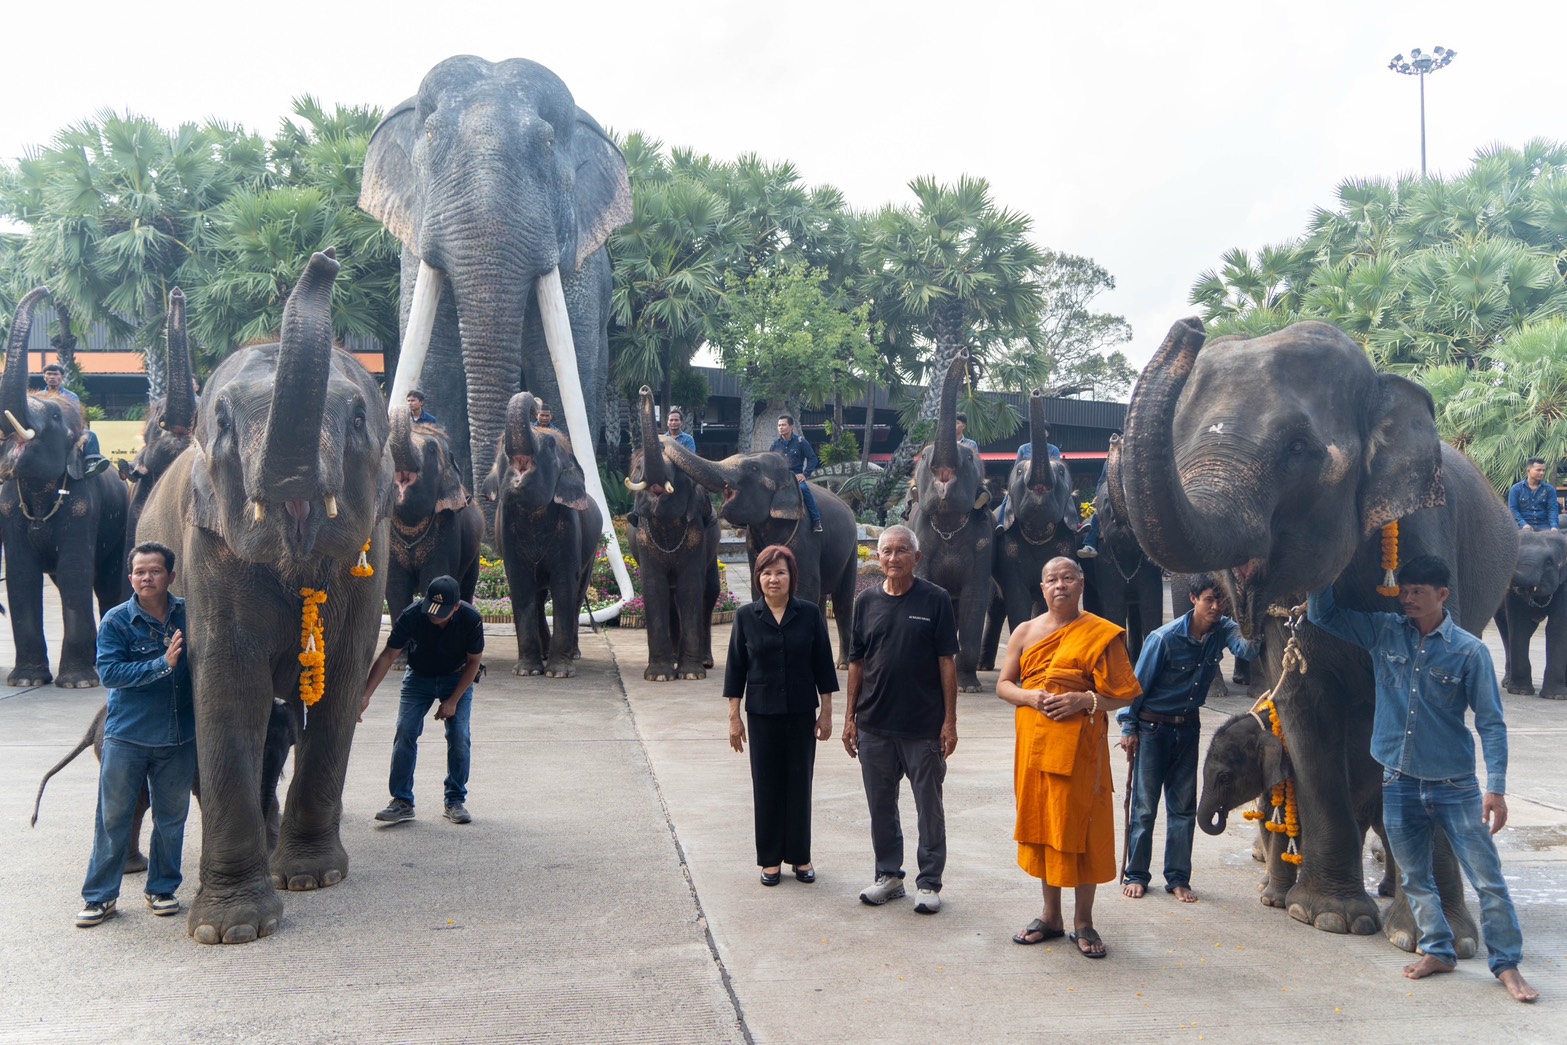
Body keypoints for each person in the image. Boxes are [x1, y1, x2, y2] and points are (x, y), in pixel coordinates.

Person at [1308, 555, 1538, 1003]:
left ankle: (1508, 966)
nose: (1408, 598)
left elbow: (1491, 724)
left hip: (1454, 786)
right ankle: (1438, 950)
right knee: (1414, 878)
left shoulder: (1469, 651)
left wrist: (1497, 788)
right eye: (1405, 590)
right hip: (1398, 781)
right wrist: (1325, 572)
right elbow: (1324, 616)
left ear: (1442, 596)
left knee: (1487, 878)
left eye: (1418, 592)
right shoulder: (1384, 632)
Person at [996, 556, 1141, 958]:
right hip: (1035, 745)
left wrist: (1087, 699)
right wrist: (1030, 696)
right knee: (1044, 825)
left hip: (1081, 750)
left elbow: (1125, 692)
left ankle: (1084, 921)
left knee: (1081, 828)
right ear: (1042, 588)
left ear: (1081, 584)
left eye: (1067, 578)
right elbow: (1005, 685)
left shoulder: (1101, 633)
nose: (1059, 585)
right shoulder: (1025, 631)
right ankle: (1050, 915)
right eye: (1051, 579)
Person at [75, 542, 195, 928]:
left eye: (155, 571)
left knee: (171, 819)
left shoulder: (190, 616)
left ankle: (161, 889)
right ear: (131, 577)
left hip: (178, 738)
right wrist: (163, 664)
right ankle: (100, 898)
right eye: (139, 572)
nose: (146, 578)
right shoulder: (115, 621)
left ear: (171, 576)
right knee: (113, 820)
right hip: (127, 737)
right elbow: (109, 674)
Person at [1118, 575, 1259, 902]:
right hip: (1153, 730)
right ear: (1193, 598)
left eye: (1221, 601)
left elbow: (1247, 649)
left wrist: (1253, 612)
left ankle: (1178, 878)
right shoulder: (1163, 639)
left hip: (1188, 728)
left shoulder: (1222, 629)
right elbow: (1135, 689)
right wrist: (1128, 729)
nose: (1215, 607)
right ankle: (1137, 874)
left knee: (1183, 808)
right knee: (1144, 808)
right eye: (1209, 599)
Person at [843, 525, 958, 914]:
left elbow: (947, 663)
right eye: (887, 551)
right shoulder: (866, 602)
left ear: (917, 558)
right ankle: (889, 876)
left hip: (922, 726)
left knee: (929, 806)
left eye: (902, 551)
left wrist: (950, 721)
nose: (894, 558)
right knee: (881, 805)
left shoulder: (936, 600)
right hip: (874, 723)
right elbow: (856, 663)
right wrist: (850, 718)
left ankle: (929, 882)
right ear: (878, 557)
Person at [724, 544, 838, 886]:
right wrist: (734, 716)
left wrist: (827, 712)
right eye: (767, 572)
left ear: (792, 578)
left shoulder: (810, 614)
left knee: (800, 783)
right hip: (761, 714)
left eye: (781, 572)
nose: (773, 579)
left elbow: (823, 664)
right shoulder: (746, 617)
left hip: (802, 712)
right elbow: (735, 669)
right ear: (759, 578)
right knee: (767, 784)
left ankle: (800, 857)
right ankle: (770, 859)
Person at [362, 575, 484, 825]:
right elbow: (387, 656)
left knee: (459, 736)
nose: (434, 616)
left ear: (457, 606)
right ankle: (402, 801)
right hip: (419, 677)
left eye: (442, 613)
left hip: (456, 677)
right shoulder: (412, 614)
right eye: (431, 610)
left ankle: (455, 800)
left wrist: (452, 700)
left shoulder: (470, 619)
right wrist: (365, 695)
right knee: (405, 731)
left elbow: (474, 663)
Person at [769, 415, 822, 533]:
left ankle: (816, 520)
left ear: (791, 427)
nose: (781, 428)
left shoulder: (801, 442)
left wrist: (805, 474)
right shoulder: (775, 445)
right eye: (779, 425)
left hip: (795, 477)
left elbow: (813, 459)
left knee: (805, 490)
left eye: (783, 425)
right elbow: (770, 463)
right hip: (779, 477)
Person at [1507, 457, 1559, 531]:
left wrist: (1554, 526)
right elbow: (1513, 510)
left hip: (1544, 526)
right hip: (1522, 527)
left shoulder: (1549, 489)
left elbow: (1552, 509)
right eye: (1538, 470)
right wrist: (1524, 524)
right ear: (1528, 470)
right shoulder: (1516, 489)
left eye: (1543, 470)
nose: (1542, 473)